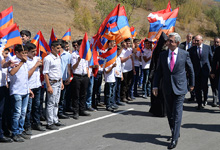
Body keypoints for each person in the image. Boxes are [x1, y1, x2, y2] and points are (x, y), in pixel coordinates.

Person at [153, 32, 194, 149]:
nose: (168, 43)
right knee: (170, 113)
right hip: (167, 88)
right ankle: (175, 131)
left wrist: (192, 84)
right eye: (168, 41)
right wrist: (155, 86)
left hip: (180, 88)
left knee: (177, 113)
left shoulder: (184, 54)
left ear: (177, 43)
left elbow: (190, 70)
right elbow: (158, 72)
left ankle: (174, 138)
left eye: (170, 41)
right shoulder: (163, 55)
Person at [9, 44, 34, 142]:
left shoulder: (25, 62)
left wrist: (29, 89)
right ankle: (14, 132)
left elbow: (25, 77)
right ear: (17, 53)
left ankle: (20, 130)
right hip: (16, 91)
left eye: (26, 53)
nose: (25, 55)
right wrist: (21, 63)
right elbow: (12, 72)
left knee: (23, 113)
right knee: (17, 113)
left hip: (25, 90)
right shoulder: (13, 60)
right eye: (23, 53)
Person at [24, 43, 46, 135]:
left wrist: (40, 65)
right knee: (28, 108)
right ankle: (27, 125)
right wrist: (36, 65)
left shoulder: (37, 58)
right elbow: (27, 75)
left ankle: (36, 123)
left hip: (37, 86)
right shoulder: (25, 61)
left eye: (35, 51)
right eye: (32, 52)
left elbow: (39, 72)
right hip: (29, 87)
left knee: (36, 107)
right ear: (27, 52)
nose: (34, 53)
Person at [43, 40, 65, 130]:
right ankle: (50, 122)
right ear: (52, 48)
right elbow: (46, 73)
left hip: (58, 82)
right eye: (57, 48)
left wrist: (61, 82)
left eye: (60, 48)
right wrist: (48, 86)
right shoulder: (48, 58)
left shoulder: (58, 57)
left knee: (56, 102)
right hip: (52, 82)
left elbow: (59, 71)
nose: (59, 50)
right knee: (51, 103)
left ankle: (55, 119)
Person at [188, 35, 213, 110]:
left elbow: (211, 58)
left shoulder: (207, 48)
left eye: (197, 41)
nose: (196, 42)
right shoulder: (191, 50)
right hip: (196, 72)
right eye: (195, 40)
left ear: (201, 41)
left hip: (205, 71)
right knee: (197, 88)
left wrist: (212, 70)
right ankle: (199, 103)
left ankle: (205, 99)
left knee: (204, 86)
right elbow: (190, 62)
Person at [149, 32, 168, 117]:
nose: (166, 44)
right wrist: (151, 74)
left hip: (165, 75)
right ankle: (157, 111)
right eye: (164, 42)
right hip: (157, 74)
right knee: (156, 94)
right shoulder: (157, 51)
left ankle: (164, 111)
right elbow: (153, 64)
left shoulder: (167, 51)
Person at [70, 39, 90, 120]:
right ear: (77, 46)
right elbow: (73, 67)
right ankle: (75, 111)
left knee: (83, 94)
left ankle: (82, 109)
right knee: (76, 95)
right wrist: (78, 61)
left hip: (84, 76)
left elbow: (86, 66)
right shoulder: (74, 55)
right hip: (77, 76)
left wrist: (88, 76)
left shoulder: (85, 55)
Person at [0, 48, 14, 143]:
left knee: (4, 110)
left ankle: (4, 130)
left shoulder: (3, 49)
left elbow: (4, 66)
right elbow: (2, 64)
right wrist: (6, 62)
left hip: (3, 85)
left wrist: (8, 63)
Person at [58, 40, 71, 119]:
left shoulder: (67, 55)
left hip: (64, 78)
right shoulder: (54, 55)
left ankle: (61, 111)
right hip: (56, 79)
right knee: (55, 97)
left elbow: (68, 67)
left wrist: (69, 77)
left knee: (63, 96)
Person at [210, 37, 220, 107]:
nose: (216, 43)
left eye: (217, 42)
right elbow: (214, 62)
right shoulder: (218, 50)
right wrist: (212, 72)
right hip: (219, 72)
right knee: (217, 87)